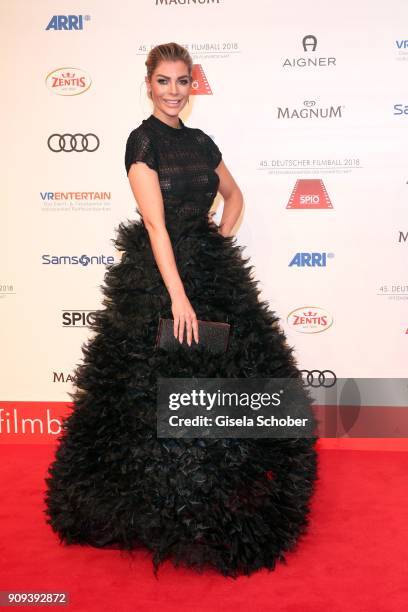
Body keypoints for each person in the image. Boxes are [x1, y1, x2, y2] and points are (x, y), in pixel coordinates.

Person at [44, 42, 318, 578]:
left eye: (183, 82)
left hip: (208, 268)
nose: (174, 91)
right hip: (159, 282)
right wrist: (178, 296)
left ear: (193, 85)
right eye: (164, 81)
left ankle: (220, 487)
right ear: (149, 84)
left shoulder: (201, 141)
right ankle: (158, 499)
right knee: (156, 389)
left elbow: (234, 196)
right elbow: (154, 225)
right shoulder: (142, 141)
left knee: (228, 378)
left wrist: (218, 237)